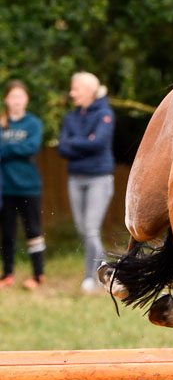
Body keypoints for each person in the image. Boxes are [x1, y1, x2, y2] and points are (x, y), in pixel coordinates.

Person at [58, 72, 115, 292]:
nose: (72, 93)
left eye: (76, 89)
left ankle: (95, 276)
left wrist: (74, 142)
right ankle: (101, 274)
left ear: (89, 90)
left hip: (99, 179)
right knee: (83, 230)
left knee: (91, 229)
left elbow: (99, 143)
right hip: (75, 178)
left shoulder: (104, 114)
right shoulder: (70, 117)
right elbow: (62, 147)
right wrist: (84, 142)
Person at [0, 80, 45, 289]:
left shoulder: (33, 123)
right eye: (12, 96)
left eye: (20, 96)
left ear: (26, 99)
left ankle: (38, 275)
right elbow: (22, 149)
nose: (16, 101)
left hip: (29, 187)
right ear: (6, 99)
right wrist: (18, 148)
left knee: (33, 231)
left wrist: (7, 149)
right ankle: (7, 274)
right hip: (5, 188)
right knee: (7, 233)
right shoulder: (1, 122)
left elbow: (32, 148)